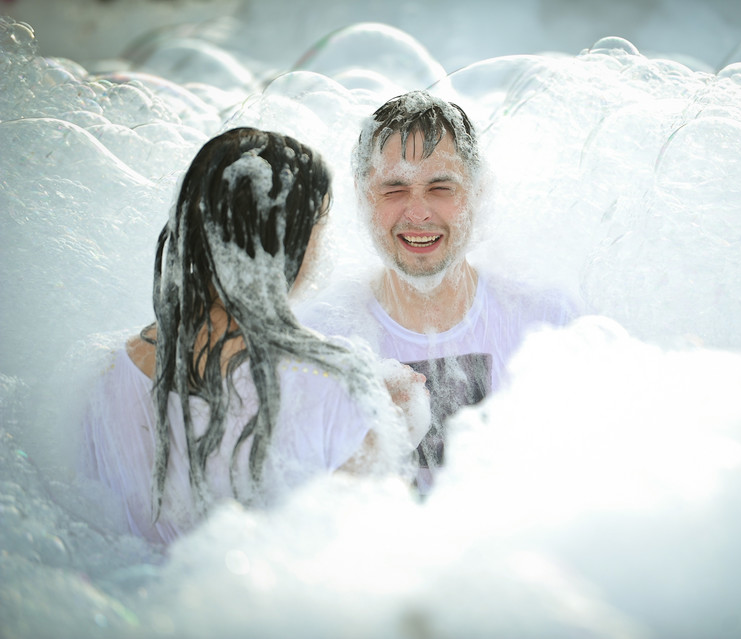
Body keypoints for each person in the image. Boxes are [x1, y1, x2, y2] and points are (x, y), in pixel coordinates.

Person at [78, 127, 429, 544]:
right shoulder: (338, 391)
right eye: (320, 224)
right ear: (288, 240)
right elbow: (375, 555)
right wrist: (389, 427)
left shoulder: (104, 375)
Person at [297, 92, 578, 493]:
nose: (417, 212)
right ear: (362, 197)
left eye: (440, 187)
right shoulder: (320, 341)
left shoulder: (549, 323)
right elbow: (293, 516)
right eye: (394, 189)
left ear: (477, 192)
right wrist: (367, 449)